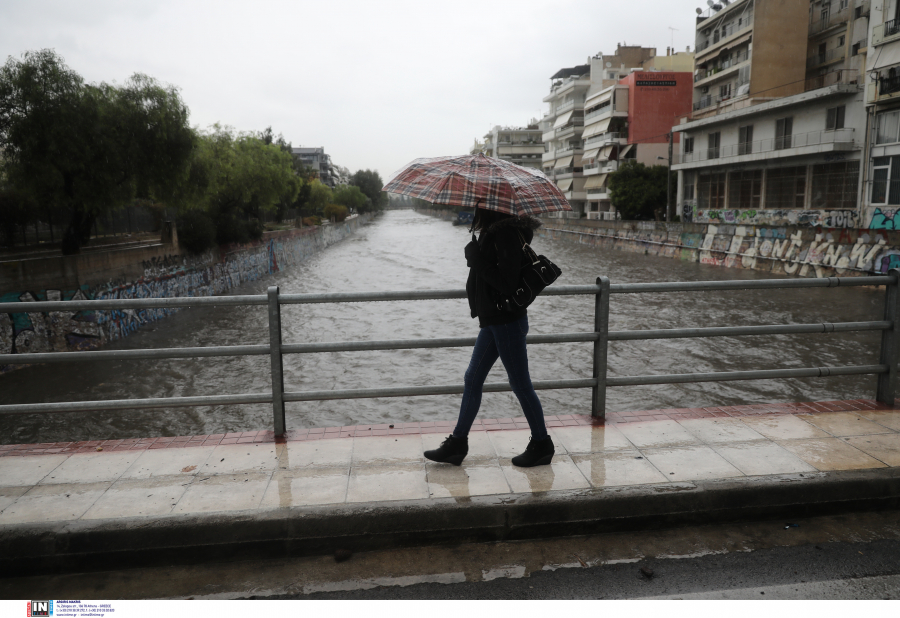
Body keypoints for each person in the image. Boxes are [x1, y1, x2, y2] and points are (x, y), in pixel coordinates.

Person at [424, 207, 554, 467]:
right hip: (494, 322)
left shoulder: (504, 234)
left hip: (507, 322)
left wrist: (475, 260)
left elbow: (507, 283)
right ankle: (458, 443)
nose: (473, 207)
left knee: (520, 384)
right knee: (472, 378)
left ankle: (542, 443)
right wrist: (477, 255)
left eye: (478, 203)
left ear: (490, 206)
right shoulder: (492, 233)